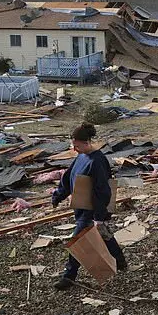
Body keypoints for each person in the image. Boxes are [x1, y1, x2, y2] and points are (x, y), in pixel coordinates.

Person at [51, 123, 127, 290]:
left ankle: (68, 277)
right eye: (73, 146)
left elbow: (103, 191)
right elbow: (68, 178)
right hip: (81, 208)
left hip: (92, 210)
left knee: (77, 241)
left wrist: (99, 217)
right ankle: (120, 260)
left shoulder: (97, 161)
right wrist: (58, 195)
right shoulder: (81, 157)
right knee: (103, 234)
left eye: (77, 146)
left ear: (86, 143)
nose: (75, 149)